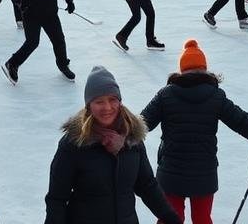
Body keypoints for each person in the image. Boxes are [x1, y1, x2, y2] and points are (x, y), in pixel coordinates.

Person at [141, 39, 248, 222]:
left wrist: (119, 137)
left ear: (182, 70)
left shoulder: (165, 95)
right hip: (204, 174)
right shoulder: (216, 96)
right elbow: (241, 120)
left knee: (170, 219)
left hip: (170, 173)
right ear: (205, 69)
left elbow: (141, 124)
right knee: (202, 219)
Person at [44, 66, 180, 224]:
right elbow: (57, 199)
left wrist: (171, 218)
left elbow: (147, 185)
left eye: (112, 99)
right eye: (99, 101)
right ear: (89, 106)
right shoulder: (74, 144)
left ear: (120, 102)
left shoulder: (132, 138)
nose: (107, 107)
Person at [2, 0, 76, 83]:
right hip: (31, 14)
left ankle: (63, 65)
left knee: (59, 40)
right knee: (32, 42)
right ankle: (12, 63)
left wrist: (70, 1)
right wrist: (19, 2)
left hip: (50, 14)